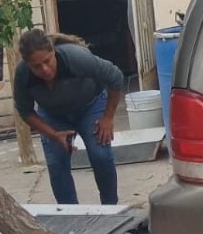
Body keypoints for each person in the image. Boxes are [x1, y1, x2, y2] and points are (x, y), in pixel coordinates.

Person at [13, 29, 125, 205]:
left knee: (100, 155)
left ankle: (110, 207)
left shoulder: (76, 58)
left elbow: (116, 78)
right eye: (36, 66)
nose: (44, 69)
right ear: (27, 65)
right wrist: (52, 134)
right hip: (53, 115)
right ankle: (70, 213)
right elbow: (25, 111)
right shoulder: (22, 75)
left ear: (53, 52)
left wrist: (108, 117)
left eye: (47, 61)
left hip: (91, 106)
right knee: (56, 163)